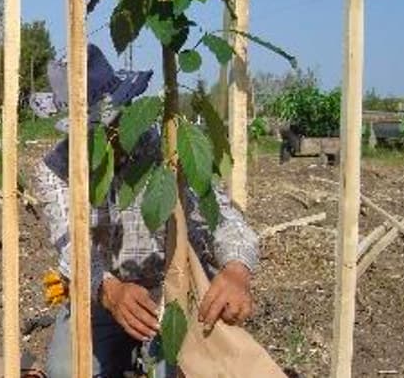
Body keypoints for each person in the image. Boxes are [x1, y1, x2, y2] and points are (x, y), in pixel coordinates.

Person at [30, 45, 260, 378]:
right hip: (102, 291)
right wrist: (108, 290)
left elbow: (221, 219)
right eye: (91, 131)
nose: (106, 138)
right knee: (66, 371)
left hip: (172, 289)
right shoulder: (56, 169)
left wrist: (236, 270)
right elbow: (72, 248)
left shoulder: (168, 152)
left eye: (111, 123)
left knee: (187, 369)